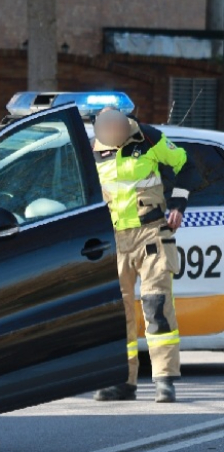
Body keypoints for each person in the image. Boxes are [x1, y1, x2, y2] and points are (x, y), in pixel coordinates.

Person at [91, 108, 187, 403]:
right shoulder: (93, 150)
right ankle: (124, 382)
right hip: (114, 240)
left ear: (125, 125)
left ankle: (164, 380)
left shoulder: (148, 137)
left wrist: (179, 204)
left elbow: (186, 165)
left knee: (156, 305)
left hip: (151, 234)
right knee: (119, 315)